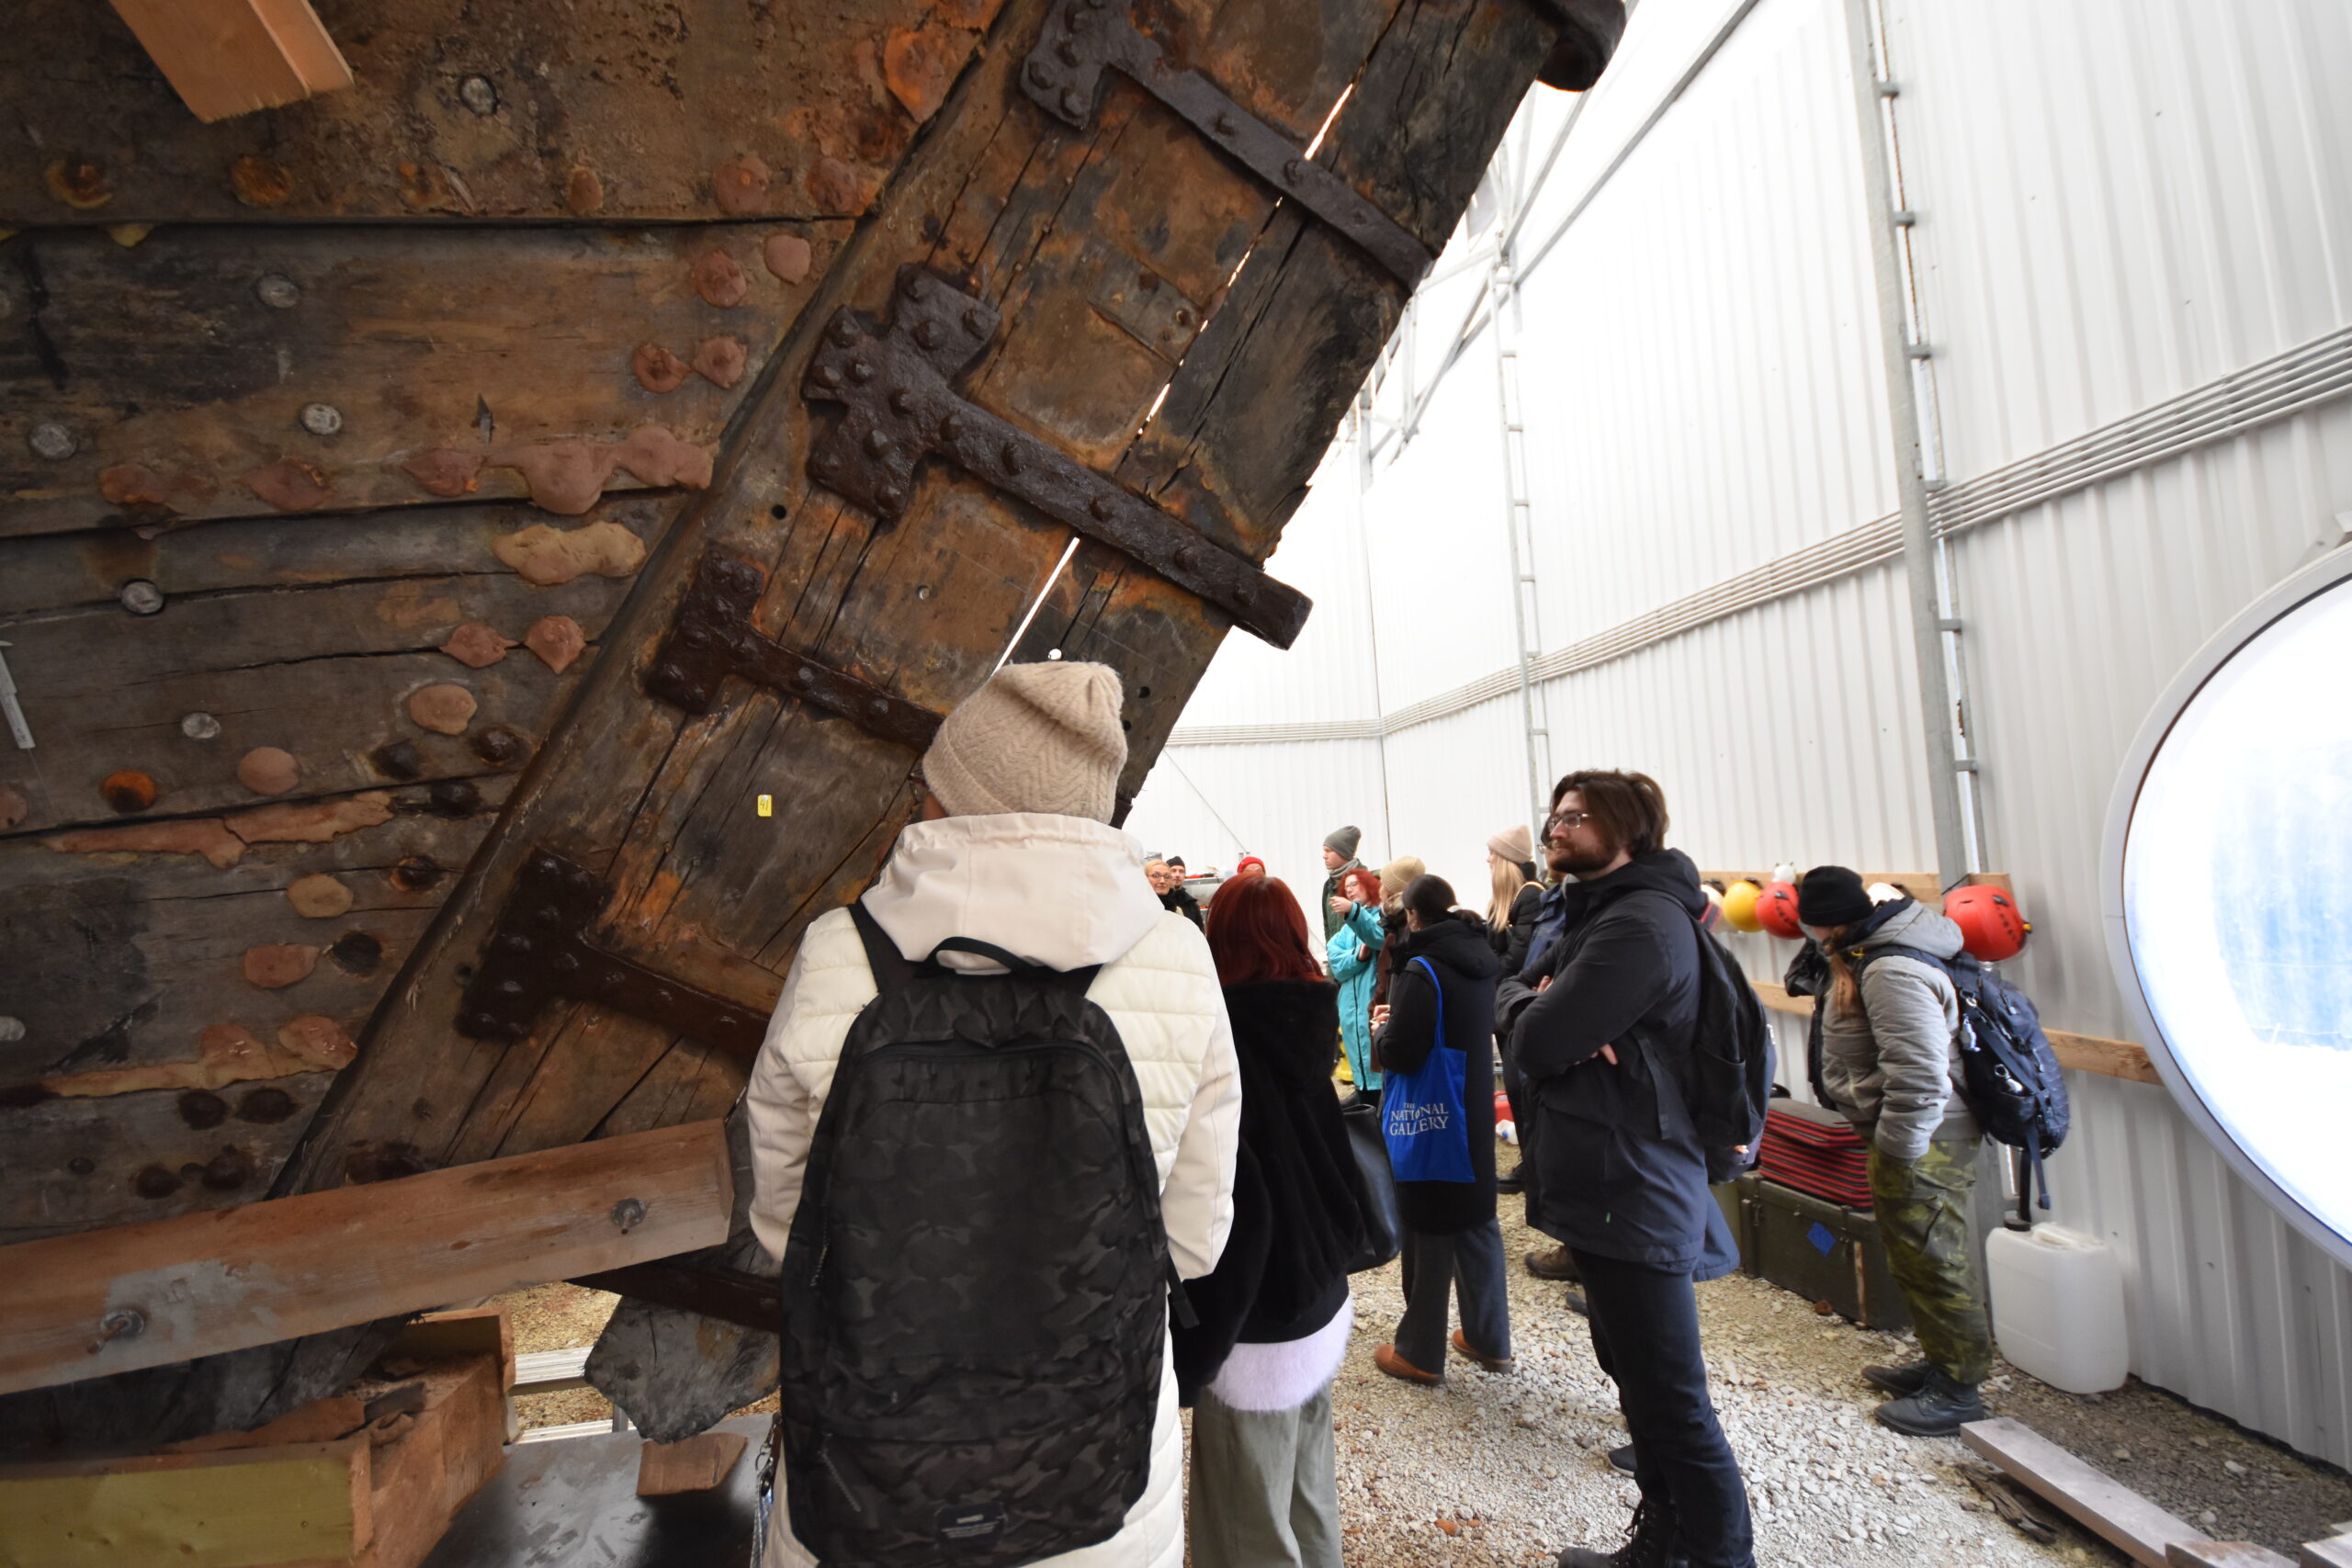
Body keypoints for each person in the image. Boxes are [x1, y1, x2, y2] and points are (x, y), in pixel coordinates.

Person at [744, 659, 1242, 1568]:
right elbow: (1194, 1239)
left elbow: (787, 1218)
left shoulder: (839, 950)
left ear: (950, 794)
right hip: (1097, 1468)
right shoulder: (1174, 956)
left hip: (867, 1466)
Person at [1511, 771, 1754, 1568]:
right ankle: (1659, 1547)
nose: (1557, 827)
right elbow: (1522, 996)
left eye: (1577, 816)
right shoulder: (1599, 910)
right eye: (1555, 814)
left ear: (1627, 830)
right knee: (1638, 1384)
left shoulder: (1639, 924)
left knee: (1673, 1402)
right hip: (1608, 1181)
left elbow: (1538, 1041)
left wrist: (1540, 1012)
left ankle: (1720, 1556)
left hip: (1636, 1186)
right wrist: (1536, 1002)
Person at [1177, 873, 1369, 1568]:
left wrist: (1197, 1340)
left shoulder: (1220, 1037)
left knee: (1246, 1519)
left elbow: (1228, 1198)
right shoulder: (1310, 1021)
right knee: (1307, 1487)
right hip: (1319, 1294)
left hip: (1256, 1311)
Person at [1799, 864, 1993, 1437]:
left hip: (1924, 1138)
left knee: (1936, 1257)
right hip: (1911, 1134)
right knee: (1915, 1255)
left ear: (1825, 923)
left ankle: (1959, 1391)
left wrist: (1899, 1151)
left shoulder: (1891, 969)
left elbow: (1921, 1074)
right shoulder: (1868, 957)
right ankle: (1941, 1365)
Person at [1368, 874, 1512, 1387]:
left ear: (1412, 915)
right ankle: (1489, 1339)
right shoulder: (1480, 957)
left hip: (1433, 1116)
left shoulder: (1421, 967)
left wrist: (1382, 1032)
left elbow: (1404, 1052)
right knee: (1476, 1220)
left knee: (1428, 1225)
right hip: (1472, 1105)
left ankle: (1419, 1353)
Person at [1325, 867, 1384, 1103]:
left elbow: (1377, 938)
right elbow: (1337, 964)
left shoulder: (1381, 919)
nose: (1349, 890)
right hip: (1350, 1010)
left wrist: (1354, 912)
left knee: (1377, 1070)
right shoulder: (1346, 930)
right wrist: (1359, 956)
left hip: (1372, 1006)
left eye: (1354, 884)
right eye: (1346, 886)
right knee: (1360, 1070)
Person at [1485, 825, 1545, 974]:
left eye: (1492, 853)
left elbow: (1518, 958)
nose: (1488, 859)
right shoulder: (1504, 900)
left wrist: (1491, 983)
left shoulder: (1531, 896)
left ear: (1505, 859)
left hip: (1517, 984)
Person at [1368, 854, 1425, 1010]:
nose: (1379, 888)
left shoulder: (1404, 927)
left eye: (1383, 883)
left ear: (1391, 891)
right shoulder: (1398, 923)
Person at [1318, 827, 1364, 941]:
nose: (1324, 856)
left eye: (1329, 851)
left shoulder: (1365, 882)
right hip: (1336, 951)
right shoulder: (1328, 885)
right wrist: (1331, 948)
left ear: (1343, 853)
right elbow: (1327, 926)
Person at [1148, 855, 1205, 930]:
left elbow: (1200, 932)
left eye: (1181, 871)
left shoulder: (1191, 904)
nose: (1177, 875)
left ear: (1185, 876)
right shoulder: (1156, 901)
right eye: (1173, 871)